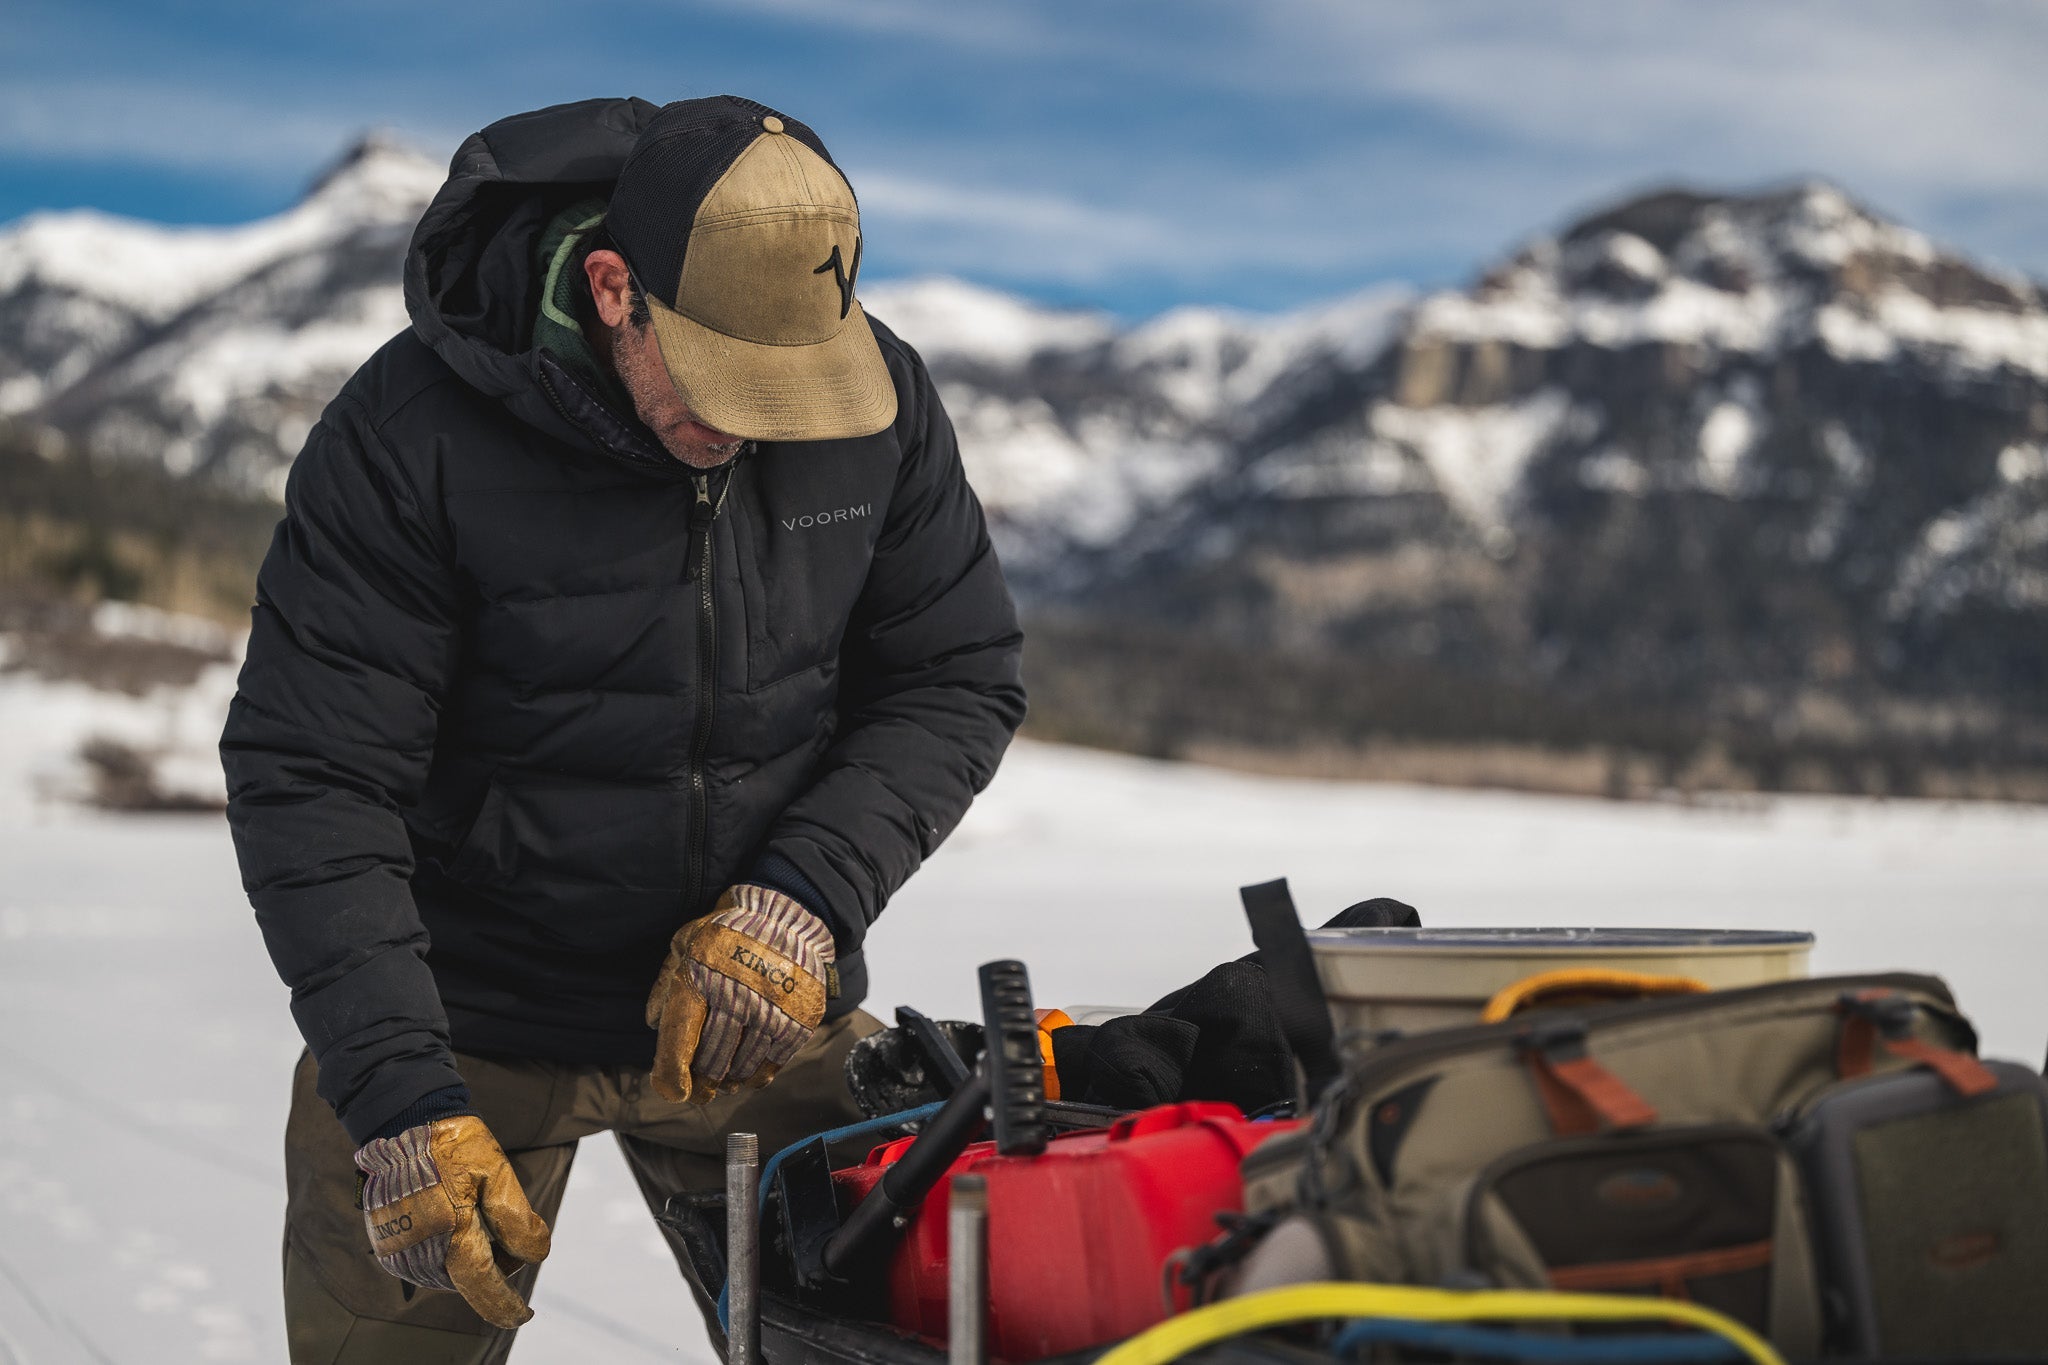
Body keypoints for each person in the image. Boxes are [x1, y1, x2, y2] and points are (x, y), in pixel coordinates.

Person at [220, 94, 1025, 1365]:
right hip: (460, 1018)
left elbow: (955, 674)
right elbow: (315, 773)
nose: (756, 424)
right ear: (612, 289)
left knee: (930, 1320)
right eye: (724, 381)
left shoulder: (874, 410)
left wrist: (799, 904)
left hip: (751, 1009)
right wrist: (395, 1096)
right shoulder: (408, 435)